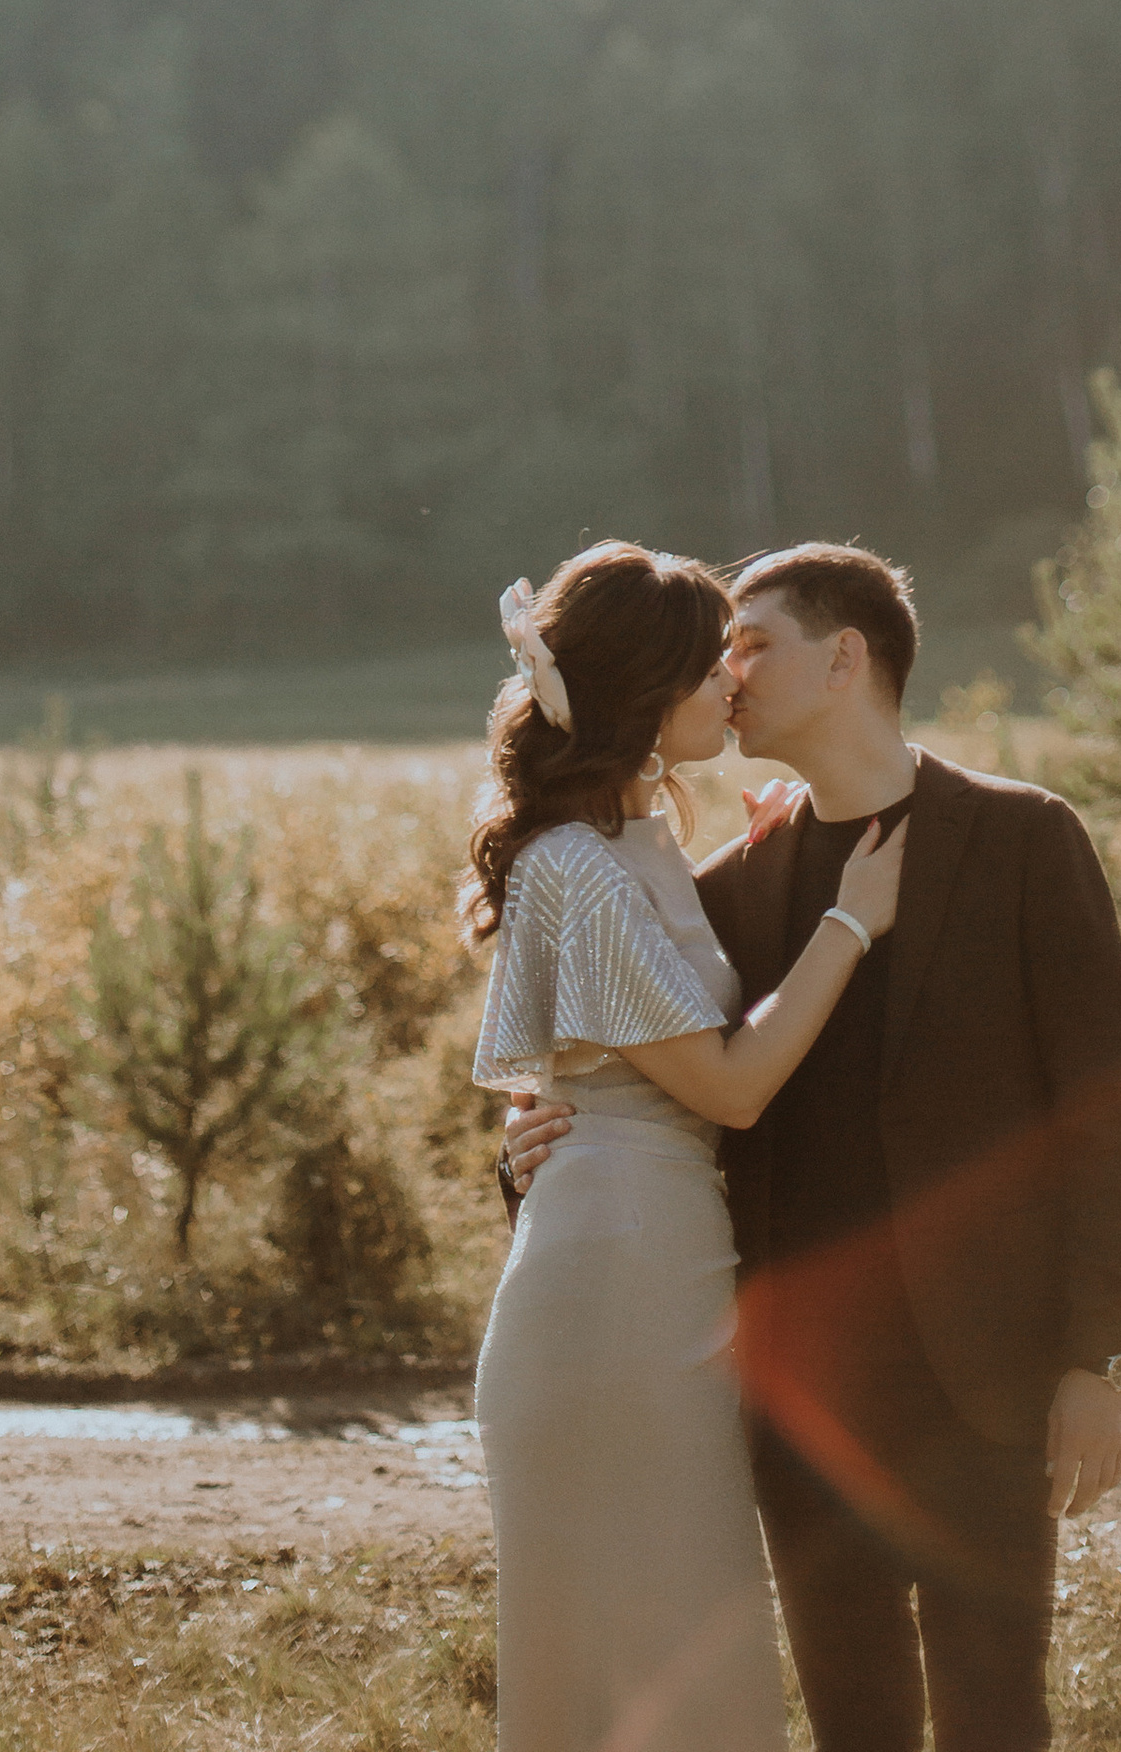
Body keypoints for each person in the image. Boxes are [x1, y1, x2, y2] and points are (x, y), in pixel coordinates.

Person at [505, 542, 1121, 1752]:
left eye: (750, 645)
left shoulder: (1024, 838)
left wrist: (1102, 1360)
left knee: (995, 1712)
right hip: (800, 1391)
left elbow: (1109, 1117)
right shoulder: (727, 888)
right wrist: (535, 1135)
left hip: (988, 1376)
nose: (729, 674)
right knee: (852, 1723)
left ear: (844, 657)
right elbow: (642, 1074)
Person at [465, 541, 909, 1752]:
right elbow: (732, 1084)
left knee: (682, 1639)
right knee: (652, 1646)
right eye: (712, 665)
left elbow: (656, 977)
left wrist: (764, 843)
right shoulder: (574, 866)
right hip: (615, 1292)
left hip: (652, 1263)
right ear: (645, 694)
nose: (733, 686)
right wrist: (845, 925)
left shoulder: (635, 843)